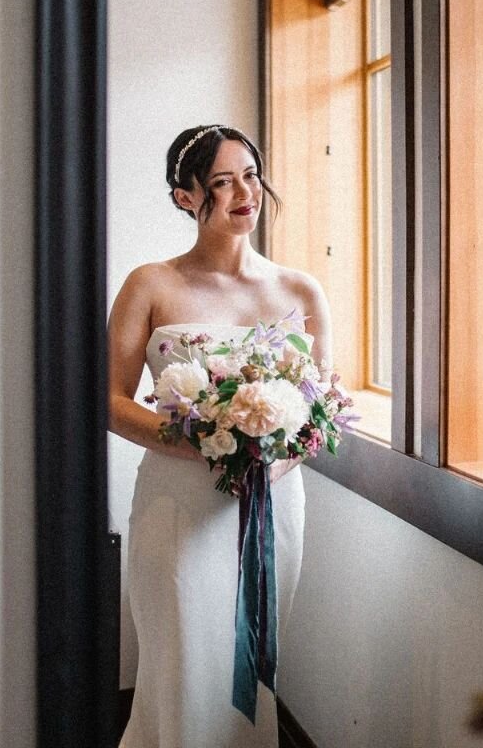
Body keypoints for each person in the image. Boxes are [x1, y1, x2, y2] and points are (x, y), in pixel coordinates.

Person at [109, 124, 333, 748]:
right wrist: (203, 442)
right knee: (182, 656)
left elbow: (321, 409)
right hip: (178, 500)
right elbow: (109, 400)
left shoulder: (299, 290)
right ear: (186, 197)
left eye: (252, 175)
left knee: (254, 661)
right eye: (223, 181)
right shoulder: (150, 283)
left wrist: (264, 461)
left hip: (271, 504)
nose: (245, 193)